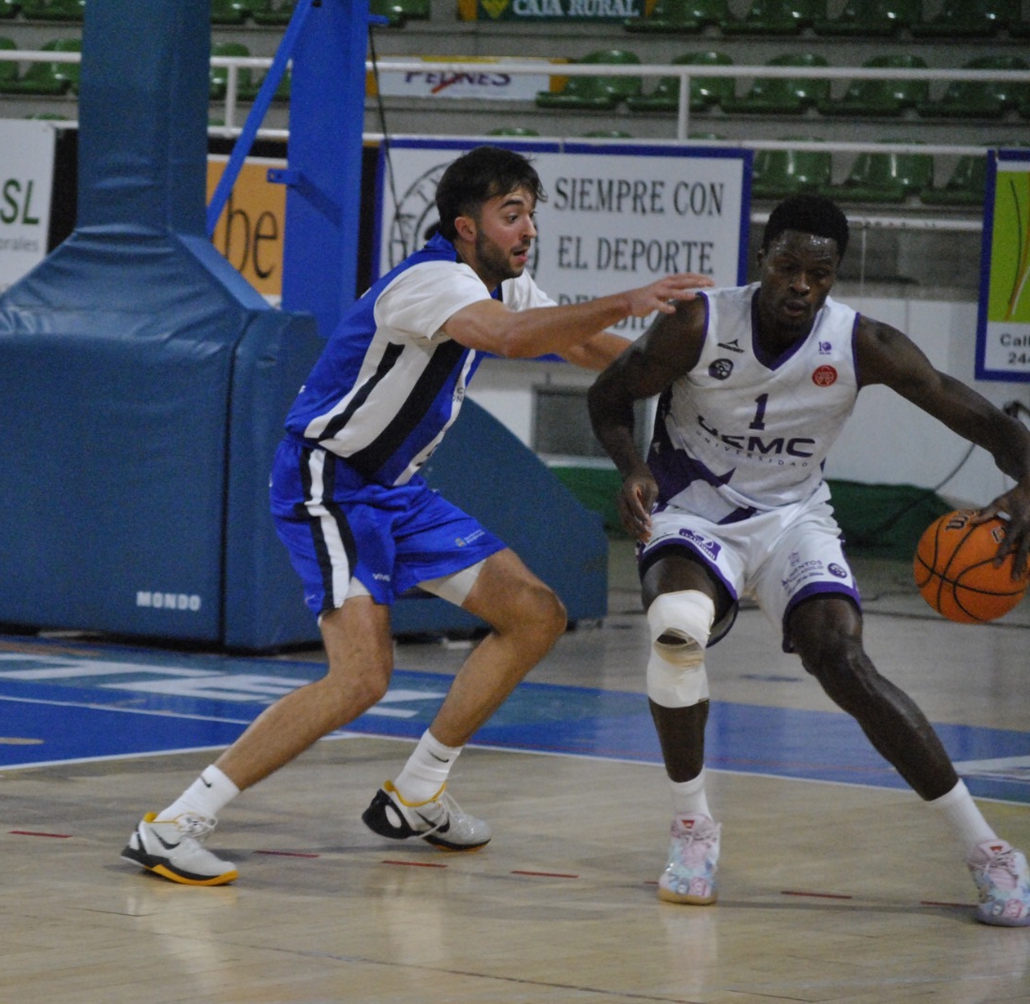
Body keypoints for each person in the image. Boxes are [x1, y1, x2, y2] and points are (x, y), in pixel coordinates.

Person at [120, 145, 713, 885]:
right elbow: (512, 340)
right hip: (328, 483)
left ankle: (418, 791)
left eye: (531, 212)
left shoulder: (506, 285)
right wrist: (630, 297)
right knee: (362, 679)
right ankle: (176, 824)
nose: (526, 228)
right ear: (466, 227)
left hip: (395, 487)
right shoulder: (431, 283)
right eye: (511, 214)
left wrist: (694, 374)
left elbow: (589, 345)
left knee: (534, 613)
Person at [586, 193, 1030, 927]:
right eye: (787, 267)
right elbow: (607, 396)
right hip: (693, 512)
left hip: (792, 518)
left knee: (845, 660)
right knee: (676, 623)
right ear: (762, 261)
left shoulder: (864, 345)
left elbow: (985, 421)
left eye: (817, 274)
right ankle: (693, 829)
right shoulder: (698, 323)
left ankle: (988, 851)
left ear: (834, 276)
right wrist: (630, 463)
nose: (800, 285)